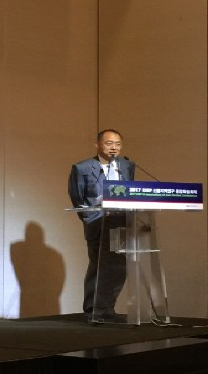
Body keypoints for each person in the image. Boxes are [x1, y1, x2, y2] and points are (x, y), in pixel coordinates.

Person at [68, 129, 136, 322]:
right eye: (109, 143)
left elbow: (130, 192)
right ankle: (93, 310)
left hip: (122, 221)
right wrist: (89, 218)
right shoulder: (81, 168)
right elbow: (77, 197)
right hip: (98, 222)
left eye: (118, 144)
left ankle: (108, 309)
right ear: (97, 144)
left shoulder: (127, 165)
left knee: (119, 267)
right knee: (99, 266)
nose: (114, 148)